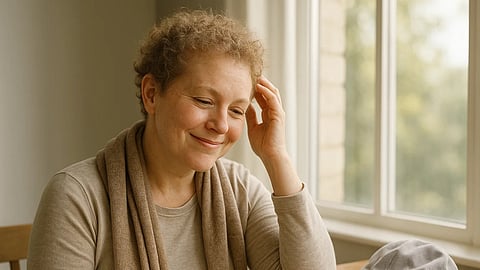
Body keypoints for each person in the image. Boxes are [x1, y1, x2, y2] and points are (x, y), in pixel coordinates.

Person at [27, 9, 336, 270]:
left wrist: (276, 156)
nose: (220, 125)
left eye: (237, 110)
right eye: (203, 101)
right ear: (151, 95)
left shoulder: (240, 190)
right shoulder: (77, 196)